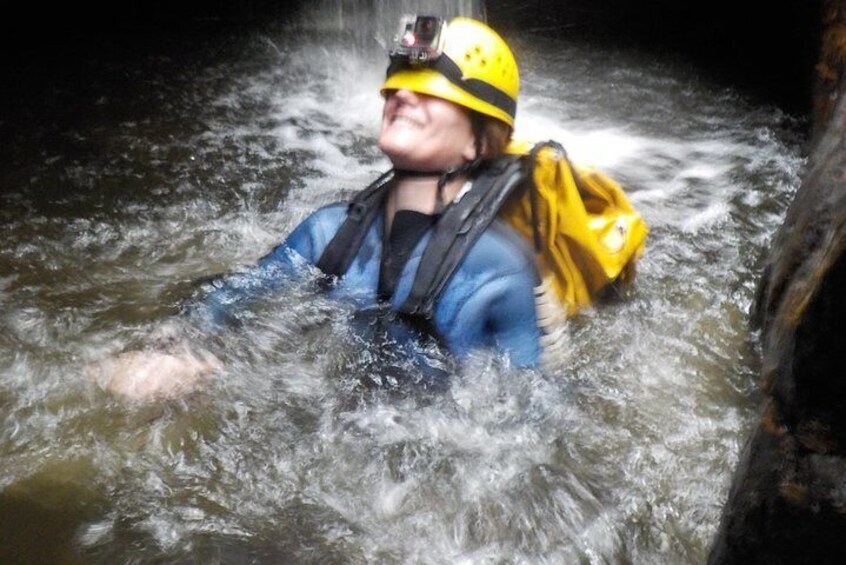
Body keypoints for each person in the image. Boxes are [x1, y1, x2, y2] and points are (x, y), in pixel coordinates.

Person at [90, 16, 546, 399]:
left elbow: (530, 406)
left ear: (478, 142)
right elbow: (234, 294)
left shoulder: (500, 269)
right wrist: (174, 348)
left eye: (431, 93)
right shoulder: (329, 232)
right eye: (397, 88)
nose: (400, 96)